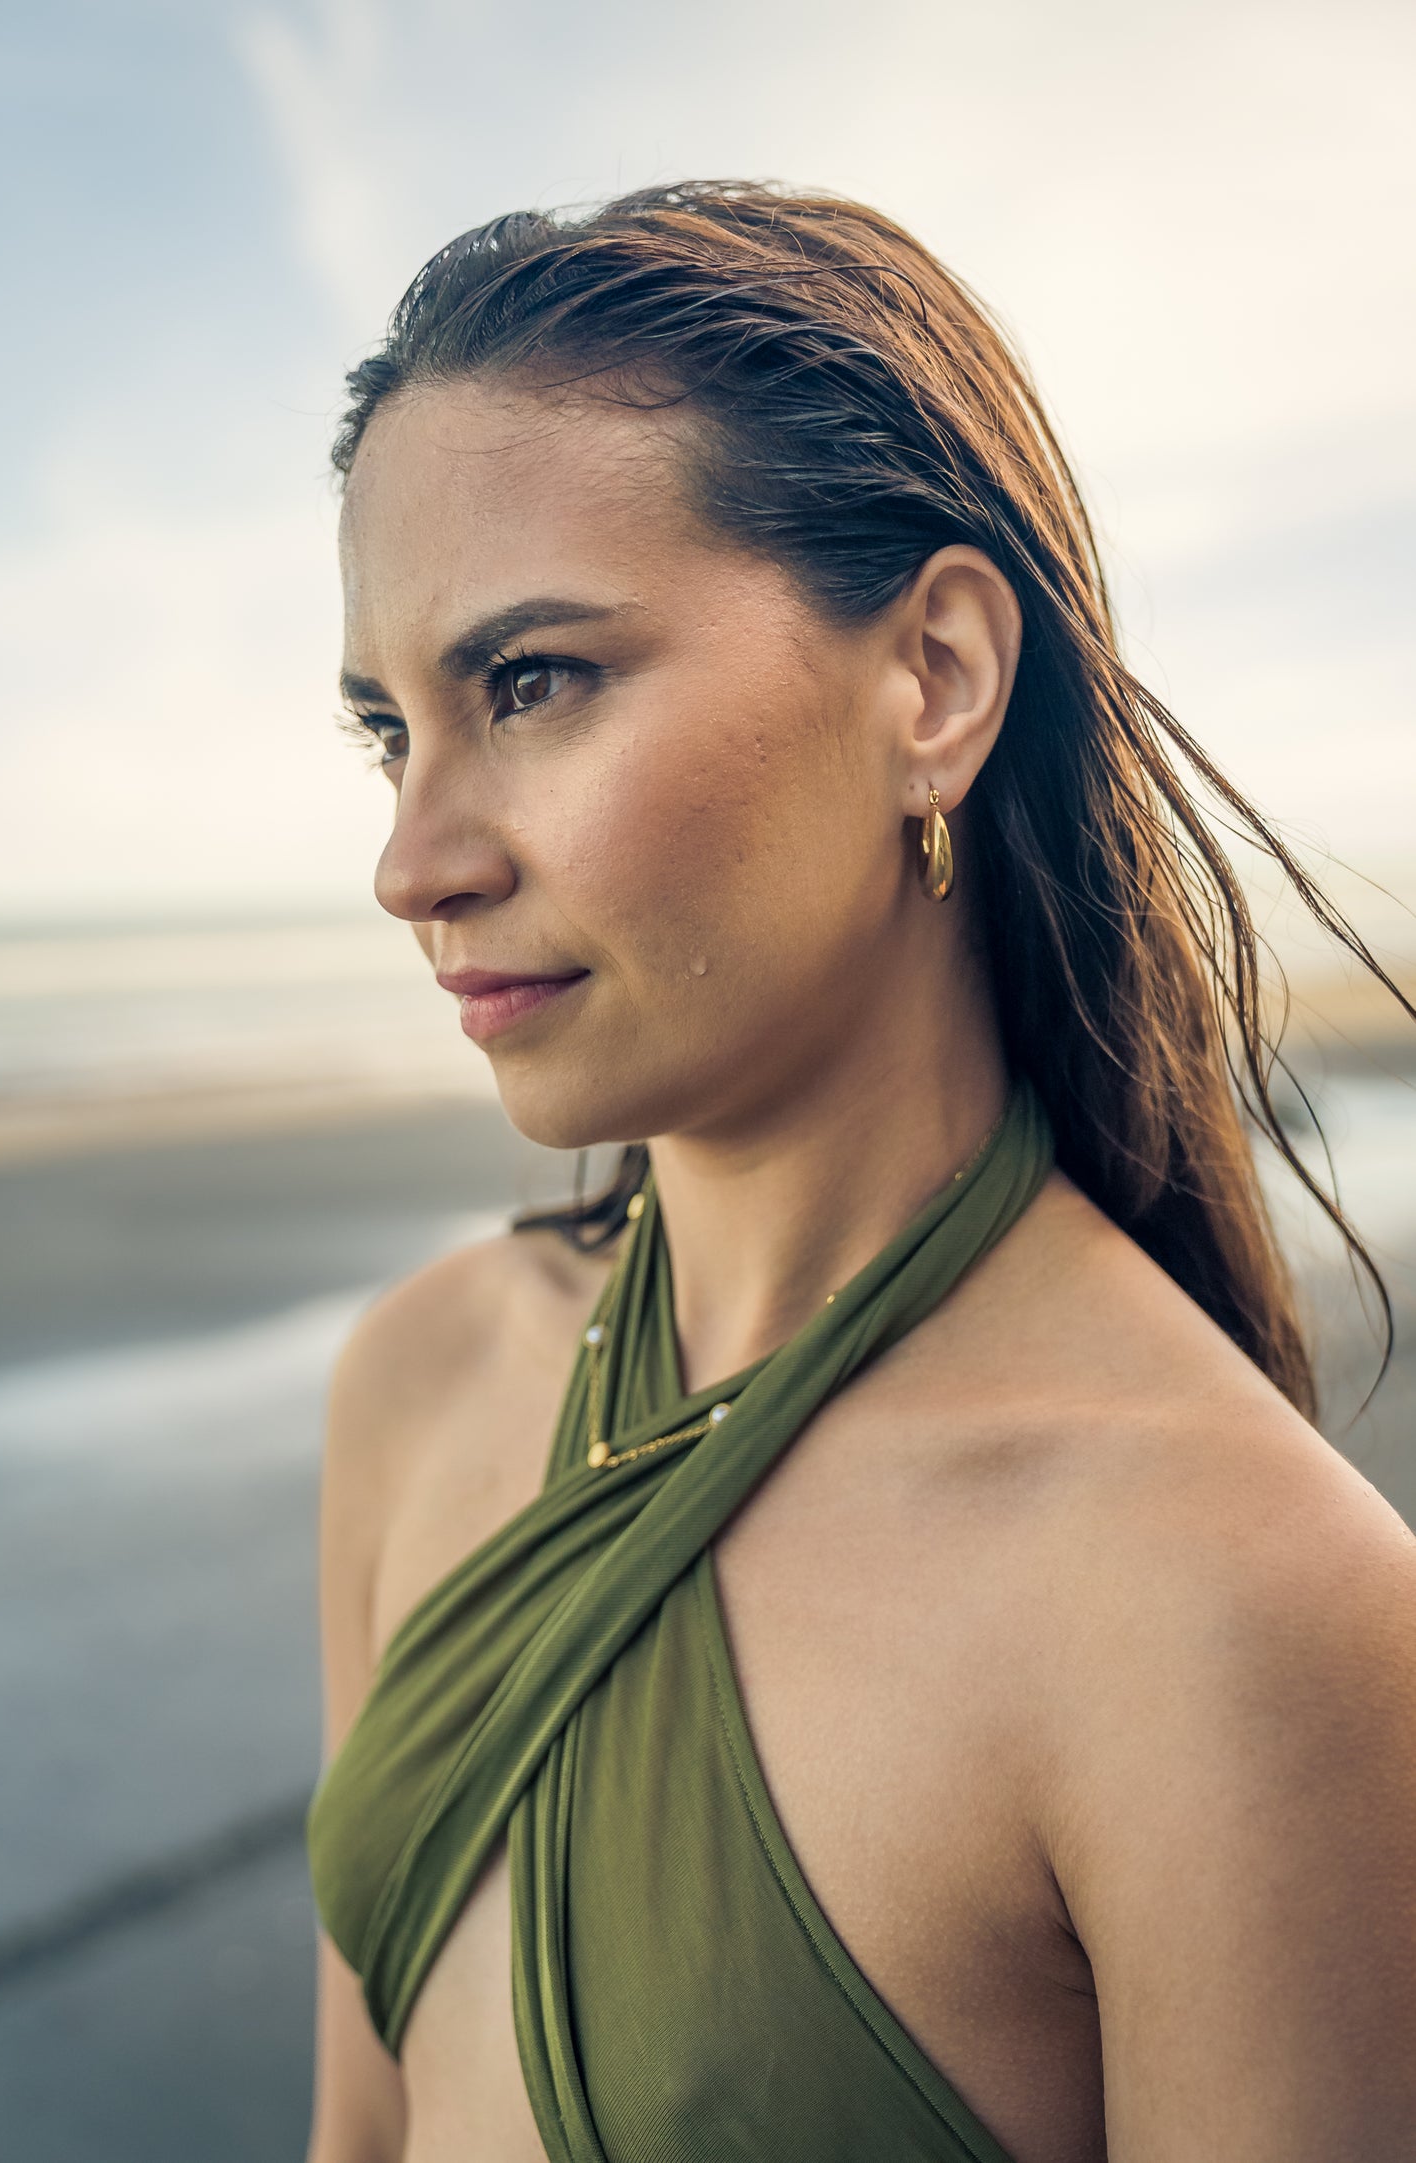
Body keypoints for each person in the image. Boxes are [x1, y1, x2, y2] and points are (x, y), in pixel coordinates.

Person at [303, 182, 1416, 2163]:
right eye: (392, 729)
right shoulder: (425, 1385)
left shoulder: (1235, 1608)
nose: (417, 857)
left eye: (534, 681)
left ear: (935, 682)